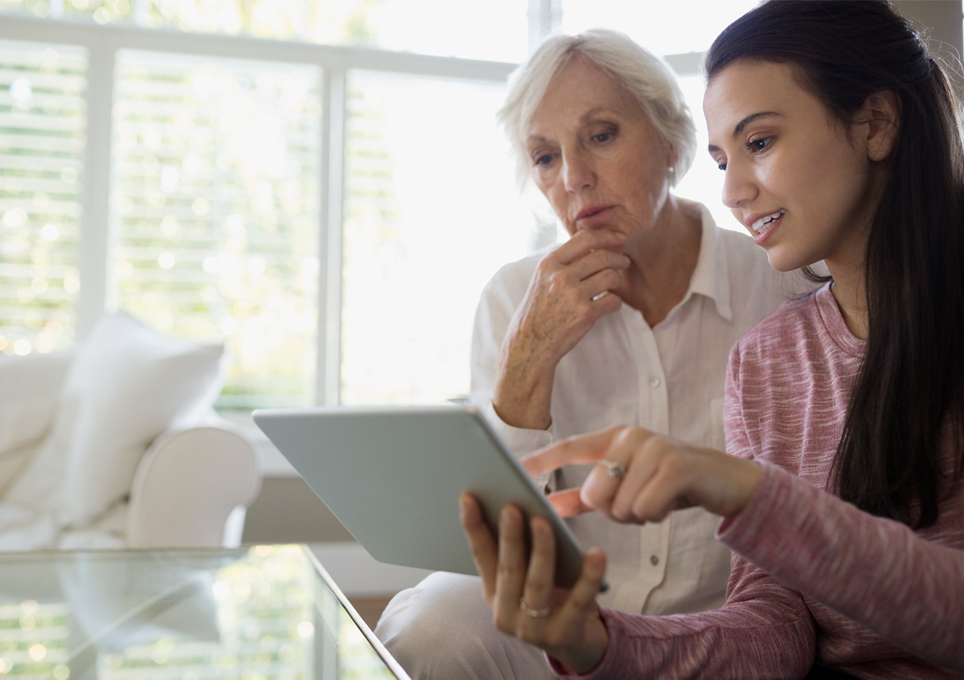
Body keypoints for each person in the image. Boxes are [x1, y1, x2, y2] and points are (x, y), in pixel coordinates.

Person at [460, 1, 964, 678]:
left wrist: (747, 492)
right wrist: (599, 646)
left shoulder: (759, 295)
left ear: (876, 123)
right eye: (725, 158)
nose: (733, 192)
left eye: (760, 143)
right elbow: (775, 628)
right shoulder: (769, 358)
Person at [375, 28, 800, 680]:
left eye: (601, 136)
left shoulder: (776, 282)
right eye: (545, 157)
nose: (574, 178)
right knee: (427, 623)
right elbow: (486, 541)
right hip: (559, 623)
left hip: (721, 627)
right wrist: (526, 363)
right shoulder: (514, 297)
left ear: (672, 143)